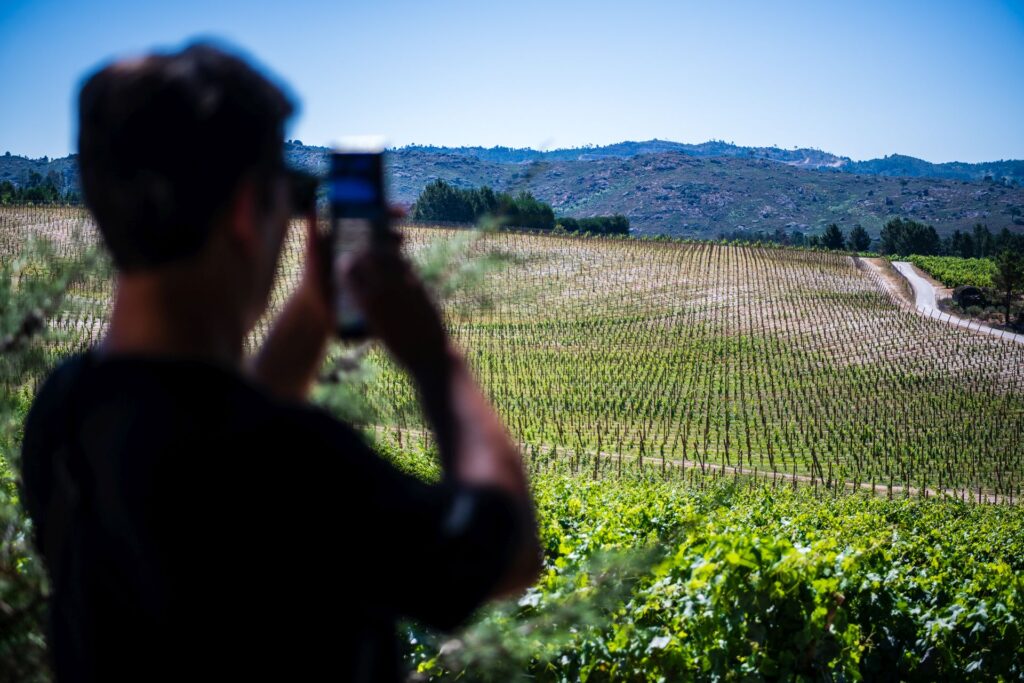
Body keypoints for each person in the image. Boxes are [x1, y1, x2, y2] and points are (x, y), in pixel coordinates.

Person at [19, 41, 541, 682]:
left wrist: (313, 311)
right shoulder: (293, 459)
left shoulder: (66, 408)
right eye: (290, 193)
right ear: (246, 211)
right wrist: (436, 356)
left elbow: (215, 433)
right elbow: (507, 553)